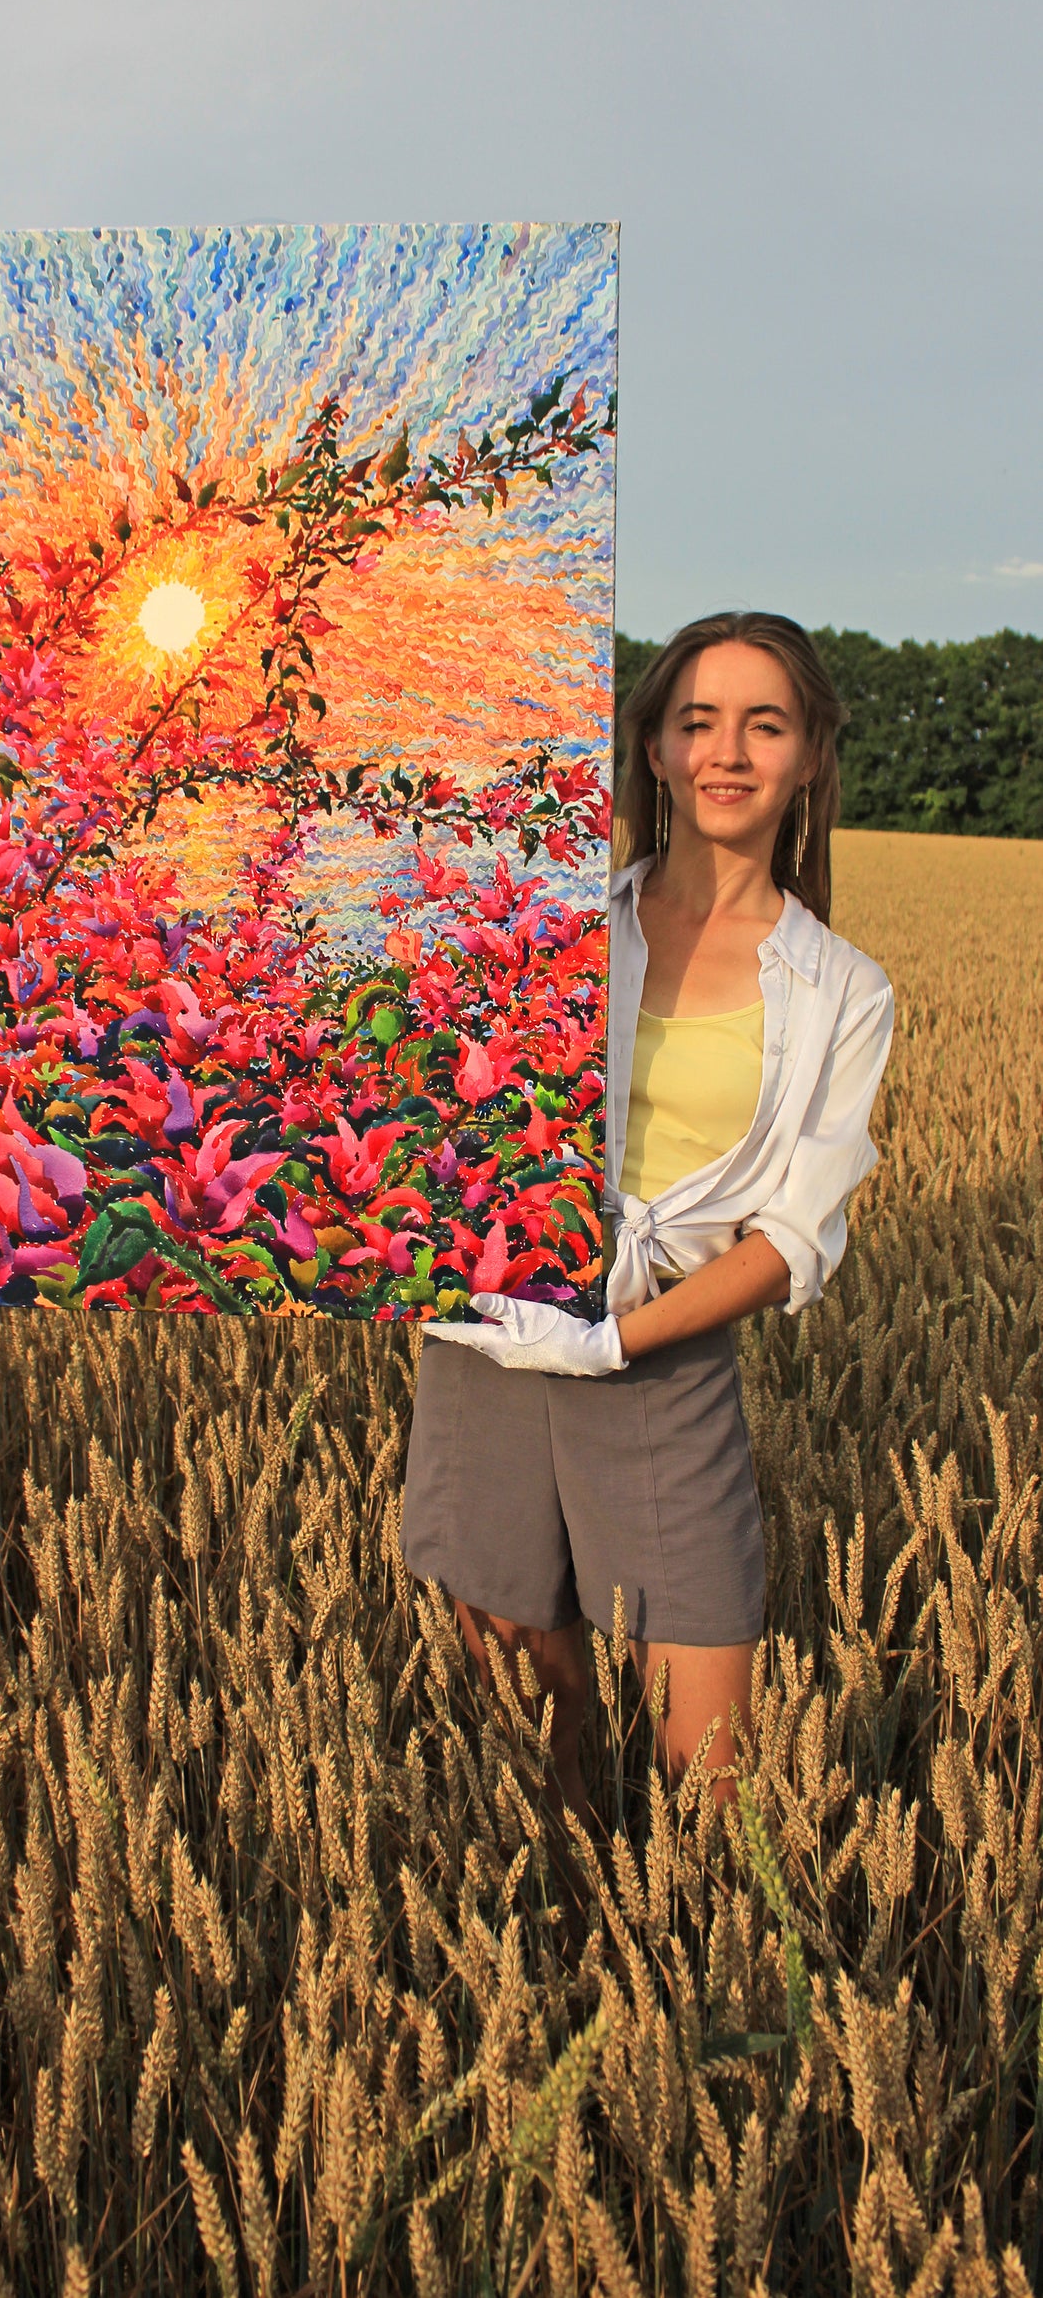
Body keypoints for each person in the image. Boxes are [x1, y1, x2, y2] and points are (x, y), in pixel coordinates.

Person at [401, 610, 894, 1817]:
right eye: (696, 721)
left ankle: (700, 1976)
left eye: (761, 723)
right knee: (533, 1727)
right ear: (657, 751)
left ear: (807, 755)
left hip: (663, 1359)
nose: (726, 750)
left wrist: (621, 1336)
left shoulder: (843, 990)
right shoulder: (548, 925)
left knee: (707, 1772)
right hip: (490, 1344)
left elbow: (791, 1237)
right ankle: (568, 1939)